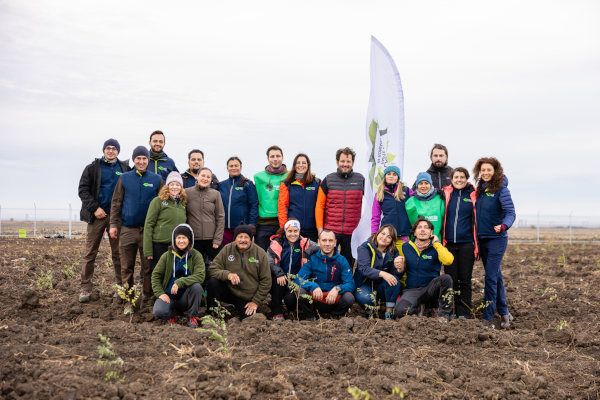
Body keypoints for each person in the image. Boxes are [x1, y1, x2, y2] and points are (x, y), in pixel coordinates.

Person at [109, 146, 163, 314]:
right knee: (126, 267)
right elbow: (116, 202)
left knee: (148, 267)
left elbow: (162, 204)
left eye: (144, 159)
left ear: (148, 160)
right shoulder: (124, 178)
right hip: (127, 230)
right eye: (138, 158)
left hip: (148, 232)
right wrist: (112, 224)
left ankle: (147, 299)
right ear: (134, 160)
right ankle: (128, 302)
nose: (141, 161)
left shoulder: (157, 179)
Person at [78, 139, 131, 302]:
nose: (110, 151)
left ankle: (120, 287)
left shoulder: (125, 169)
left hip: (117, 219)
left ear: (118, 151)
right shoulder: (92, 168)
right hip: (97, 216)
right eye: (107, 148)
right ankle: (86, 288)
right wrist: (95, 208)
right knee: (90, 253)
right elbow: (83, 190)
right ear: (103, 150)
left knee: (118, 254)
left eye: (114, 148)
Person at [472, 157, 516, 329]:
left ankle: (488, 318)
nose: (485, 173)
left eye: (489, 170)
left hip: (497, 240)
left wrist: (504, 226)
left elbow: (510, 212)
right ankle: (504, 313)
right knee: (495, 276)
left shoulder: (501, 190)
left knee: (490, 277)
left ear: (496, 171)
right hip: (482, 240)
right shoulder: (480, 190)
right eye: (483, 170)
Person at [393, 217, 455, 322]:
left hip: (431, 288)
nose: (423, 230)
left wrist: (436, 244)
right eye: (419, 227)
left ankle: (443, 316)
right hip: (412, 289)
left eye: (426, 228)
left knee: (446, 278)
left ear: (431, 232)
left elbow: (448, 261)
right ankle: (421, 309)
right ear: (414, 232)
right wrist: (400, 267)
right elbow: (402, 270)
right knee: (400, 311)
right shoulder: (406, 247)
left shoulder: (436, 247)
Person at [206, 222, 271, 320]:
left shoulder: (260, 253)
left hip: (248, 297)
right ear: (235, 238)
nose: (243, 240)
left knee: (251, 320)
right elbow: (212, 270)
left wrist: (256, 301)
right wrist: (228, 275)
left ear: (251, 239)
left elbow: (266, 281)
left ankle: (241, 308)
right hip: (230, 290)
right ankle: (213, 314)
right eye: (240, 237)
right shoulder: (227, 249)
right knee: (213, 283)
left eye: (246, 237)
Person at [315, 147, 364, 267]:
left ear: (353, 162)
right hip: (331, 231)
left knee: (348, 265)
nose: (345, 164)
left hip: (352, 232)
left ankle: (346, 285)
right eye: (342, 161)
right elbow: (319, 206)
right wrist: (320, 230)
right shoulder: (328, 179)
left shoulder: (361, 180)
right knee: (328, 265)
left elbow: (370, 203)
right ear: (337, 162)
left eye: (348, 161)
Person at [151, 224, 205, 328]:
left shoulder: (196, 255)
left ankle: (193, 317)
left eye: (184, 238)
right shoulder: (167, 256)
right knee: (158, 312)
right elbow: (155, 275)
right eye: (178, 238)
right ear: (174, 239)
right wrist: (160, 293)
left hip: (186, 299)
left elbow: (200, 275)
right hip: (169, 297)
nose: (181, 241)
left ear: (189, 240)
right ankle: (175, 314)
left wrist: (179, 282)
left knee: (197, 286)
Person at [441, 167, 477, 319]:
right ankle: (452, 310)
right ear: (452, 179)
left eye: (462, 177)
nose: (459, 180)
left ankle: (464, 312)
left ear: (466, 178)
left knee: (465, 280)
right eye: (456, 177)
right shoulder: (445, 194)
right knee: (451, 280)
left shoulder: (473, 195)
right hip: (448, 245)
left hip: (467, 244)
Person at [295, 230, 356, 320]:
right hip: (315, 298)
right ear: (318, 242)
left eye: (330, 241)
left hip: (333, 300)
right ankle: (310, 316)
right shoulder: (311, 259)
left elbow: (351, 284)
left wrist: (337, 289)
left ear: (335, 243)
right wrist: (313, 286)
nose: (327, 244)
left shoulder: (342, 260)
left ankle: (335, 315)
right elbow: (298, 279)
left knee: (349, 298)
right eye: (324, 240)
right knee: (301, 292)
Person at [267, 219, 319, 321]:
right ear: (285, 231)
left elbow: (322, 247)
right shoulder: (277, 243)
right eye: (290, 231)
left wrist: (308, 251)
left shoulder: (305, 243)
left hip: (296, 280)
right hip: (281, 278)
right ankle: (277, 312)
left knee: (289, 301)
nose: (293, 234)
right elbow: (269, 262)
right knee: (278, 283)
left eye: (295, 231)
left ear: (299, 231)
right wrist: (279, 273)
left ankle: (293, 309)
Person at [354, 225, 405, 320]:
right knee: (365, 298)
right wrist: (383, 273)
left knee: (394, 280)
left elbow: (395, 274)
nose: (384, 238)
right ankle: (370, 312)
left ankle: (389, 312)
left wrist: (400, 269)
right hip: (365, 284)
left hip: (382, 286)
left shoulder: (393, 251)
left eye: (389, 237)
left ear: (392, 241)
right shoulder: (365, 247)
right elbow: (364, 269)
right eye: (383, 233)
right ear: (378, 233)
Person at [143, 171, 188, 272]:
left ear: (181, 187)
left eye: (177, 184)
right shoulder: (157, 201)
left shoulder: (183, 203)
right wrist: (148, 250)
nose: (175, 187)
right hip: (160, 246)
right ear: (167, 186)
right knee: (160, 273)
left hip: (177, 245)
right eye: (172, 184)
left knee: (174, 273)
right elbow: (149, 225)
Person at [185, 167, 225, 263]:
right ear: (197, 176)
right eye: (203, 175)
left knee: (221, 264)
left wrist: (217, 239)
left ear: (211, 179)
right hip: (194, 240)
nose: (205, 179)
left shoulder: (215, 194)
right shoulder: (187, 192)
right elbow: (184, 215)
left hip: (211, 240)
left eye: (208, 177)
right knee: (196, 267)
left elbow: (220, 217)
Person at [277, 153, 320, 242]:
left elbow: (322, 206)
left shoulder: (317, 183)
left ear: (308, 165)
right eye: (298, 163)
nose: (301, 165)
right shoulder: (286, 184)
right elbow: (282, 208)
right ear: (294, 165)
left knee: (311, 255)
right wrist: (284, 228)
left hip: (313, 231)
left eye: (303, 163)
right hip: (294, 231)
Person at [371, 164, 414, 249]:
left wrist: (434, 191)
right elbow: (375, 216)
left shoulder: (407, 191)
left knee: (402, 261)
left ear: (398, 177)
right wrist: (374, 234)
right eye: (389, 174)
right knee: (387, 261)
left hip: (403, 235)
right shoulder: (379, 194)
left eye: (394, 174)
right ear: (385, 176)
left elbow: (420, 197)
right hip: (386, 236)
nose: (391, 176)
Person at [218, 157, 259, 246]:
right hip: (224, 228)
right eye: (231, 166)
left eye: (236, 165)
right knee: (227, 254)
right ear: (227, 168)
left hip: (242, 228)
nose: (234, 168)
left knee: (241, 254)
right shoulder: (221, 185)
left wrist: (252, 224)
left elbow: (253, 205)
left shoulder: (248, 184)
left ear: (240, 167)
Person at [254, 146, 288, 250]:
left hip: (282, 222)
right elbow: (254, 199)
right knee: (261, 255)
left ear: (282, 157)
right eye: (272, 156)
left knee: (281, 254)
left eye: (278, 156)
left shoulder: (290, 175)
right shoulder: (258, 177)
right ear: (268, 159)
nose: (275, 159)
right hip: (263, 223)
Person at [405, 172, 445, 239]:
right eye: (420, 183)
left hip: (435, 241)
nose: (423, 186)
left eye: (426, 183)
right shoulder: (411, 201)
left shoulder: (439, 199)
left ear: (431, 184)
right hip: (417, 242)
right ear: (417, 185)